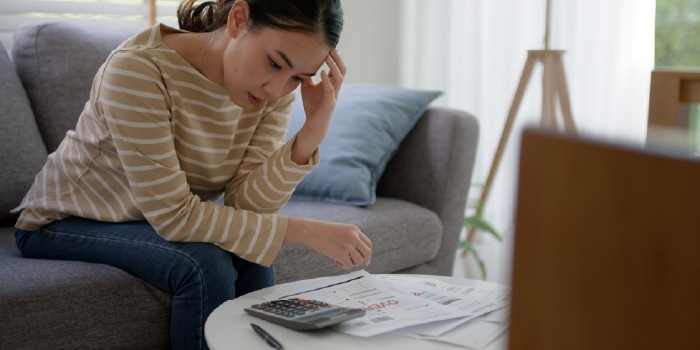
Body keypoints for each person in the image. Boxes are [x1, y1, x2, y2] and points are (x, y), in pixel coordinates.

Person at [12, 0, 372, 348]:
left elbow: (248, 205)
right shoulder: (138, 69)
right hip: (63, 220)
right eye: (275, 63)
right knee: (205, 264)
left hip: (146, 219)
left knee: (253, 255)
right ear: (237, 19)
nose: (277, 89)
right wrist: (305, 231)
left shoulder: (271, 93)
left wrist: (311, 133)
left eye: (298, 77)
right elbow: (174, 216)